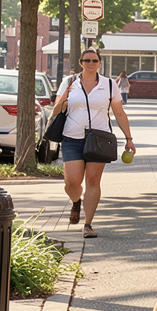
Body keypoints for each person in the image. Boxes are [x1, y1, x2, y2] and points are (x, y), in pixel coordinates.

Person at [54, 49, 135, 238]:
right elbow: (57, 109)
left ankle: (88, 224)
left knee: (92, 181)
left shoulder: (108, 84)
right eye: (87, 60)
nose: (91, 63)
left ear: (99, 63)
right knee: (72, 183)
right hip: (72, 138)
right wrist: (65, 95)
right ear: (81, 62)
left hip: (99, 138)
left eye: (94, 60)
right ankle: (76, 201)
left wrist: (129, 139)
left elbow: (119, 113)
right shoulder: (69, 82)